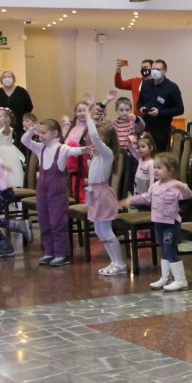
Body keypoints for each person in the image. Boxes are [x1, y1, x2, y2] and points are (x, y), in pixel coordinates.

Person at [121, 152, 192, 291]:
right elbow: (146, 197)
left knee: (170, 250)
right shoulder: (154, 186)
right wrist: (131, 199)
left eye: (159, 168)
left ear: (170, 170)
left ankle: (181, 280)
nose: (155, 170)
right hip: (158, 222)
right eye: (155, 167)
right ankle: (166, 277)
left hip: (171, 224)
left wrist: (183, 187)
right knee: (163, 250)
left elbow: (186, 195)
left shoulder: (175, 185)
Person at [78, 102, 127, 277]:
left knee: (106, 230)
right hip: (94, 193)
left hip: (103, 195)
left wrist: (88, 117)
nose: (94, 139)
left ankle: (120, 263)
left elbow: (93, 135)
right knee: (99, 231)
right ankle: (113, 261)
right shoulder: (97, 155)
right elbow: (91, 136)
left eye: (99, 137)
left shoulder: (107, 154)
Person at [23, 120, 79, 266]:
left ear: (54, 133)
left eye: (44, 132)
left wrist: (86, 149)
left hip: (57, 190)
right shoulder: (40, 148)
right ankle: (49, 251)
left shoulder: (61, 148)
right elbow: (24, 140)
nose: (40, 136)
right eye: (39, 133)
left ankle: (62, 253)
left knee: (57, 221)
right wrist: (32, 130)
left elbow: (75, 151)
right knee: (44, 220)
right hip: (42, 189)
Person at [136, 60, 184, 152]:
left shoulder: (172, 87)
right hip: (145, 126)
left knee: (158, 154)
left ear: (165, 71)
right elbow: (139, 102)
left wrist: (160, 112)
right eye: (153, 69)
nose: (155, 71)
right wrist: (141, 108)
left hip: (161, 129)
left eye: (158, 69)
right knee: (143, 153)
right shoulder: (146, 84)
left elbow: (180, 109)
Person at [0, 71, 33, 146]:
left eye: (9, 77)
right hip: (3, 127)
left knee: (19, 144)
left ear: (13, 78)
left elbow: (29, 107)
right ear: (1, 80)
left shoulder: (22, 92)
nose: (7, 79)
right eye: (5, 77)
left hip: (19, 125)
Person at [0, 108, 26, 189]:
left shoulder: (7, 129)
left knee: (8, 169)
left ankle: (9, 184)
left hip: (7, 151)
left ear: (6, 118)